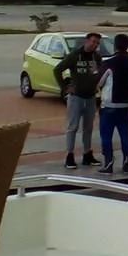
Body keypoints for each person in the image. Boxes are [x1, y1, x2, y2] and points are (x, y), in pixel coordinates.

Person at [55, 32, 103, 169]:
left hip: (91, 96)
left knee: (88, 127)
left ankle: (87, 154)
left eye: (97, 43)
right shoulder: (75, 55)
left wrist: (97, 74)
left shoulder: (96, 57)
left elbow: (101, 73)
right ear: (86, 41)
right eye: (93, 41)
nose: (95, 45)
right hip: (76, 97)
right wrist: (65, 88)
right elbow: (57, 70)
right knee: (73, 127)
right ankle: (69, 155)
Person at [96, 33, 128, 174]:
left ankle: (108, 163)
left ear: (115, 46)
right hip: (126, 104)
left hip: (109, 105)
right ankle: (126, 162)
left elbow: (99, 82)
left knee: (106, 136)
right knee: (125, 135)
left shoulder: (109, 63)